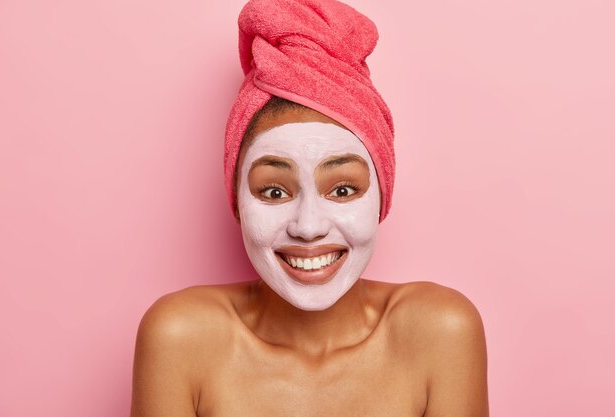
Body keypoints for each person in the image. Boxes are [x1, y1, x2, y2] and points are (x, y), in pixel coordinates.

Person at [130, 1, 489, 416]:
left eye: (341, 189)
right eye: (274, 193)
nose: (308, 226)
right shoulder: (181, 338)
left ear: (381, 199)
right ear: (238, 203)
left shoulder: (439, 332)